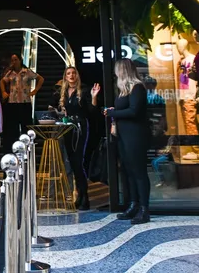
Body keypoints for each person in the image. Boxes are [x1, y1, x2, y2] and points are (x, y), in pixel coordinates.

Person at [103, 59, 150, 225]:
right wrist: (114, 111)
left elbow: (134, 111)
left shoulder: (137, 87)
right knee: (129, 171)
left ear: (123, 70)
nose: (115, 73)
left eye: (117, 70)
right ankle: (133, 204)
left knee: (139, 172)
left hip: (135, 135)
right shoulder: (124, 90)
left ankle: (144, 209)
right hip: (124, 135)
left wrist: (113, 113)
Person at [52, 66, 100, 210]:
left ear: (77, 75)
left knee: (79, 162)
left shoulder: (84, 90)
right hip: (68, 128)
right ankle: (79, 195)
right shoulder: (63, 92)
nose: (71, 75)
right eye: (68, 73)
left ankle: (84, 197)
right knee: (72, 163)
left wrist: (94, 97)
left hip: (80, 126)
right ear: (65, 77)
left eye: (73, 73)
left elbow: (92, 111)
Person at [0, 54, 43, 144]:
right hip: (13, 103)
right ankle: (14, 145)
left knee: (26, 126)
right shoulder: (10, 73)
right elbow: (2, 81)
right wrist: (3, 92)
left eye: (16, 59)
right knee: (13, 127)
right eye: (12, 60)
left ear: (20, 60)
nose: (14, 62)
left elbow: (40, 79)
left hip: (25, 102)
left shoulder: (27, 72)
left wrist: (35, 90)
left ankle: (27, 145)